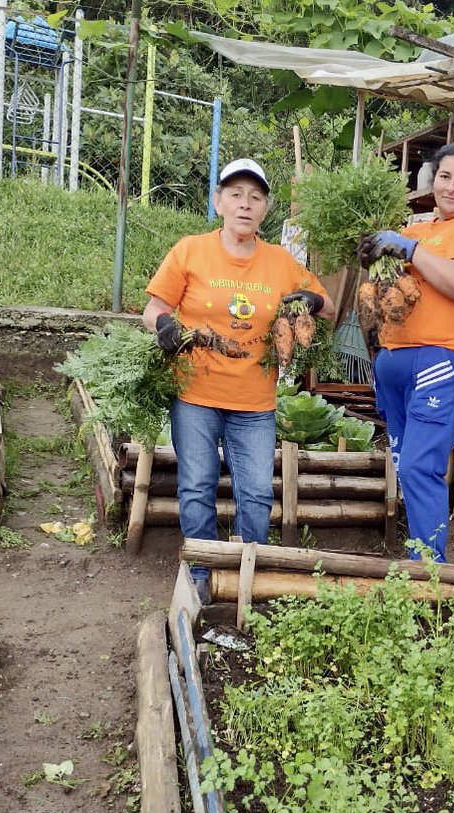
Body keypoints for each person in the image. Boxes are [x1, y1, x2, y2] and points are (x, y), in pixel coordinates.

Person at [142, 157, 334, 544]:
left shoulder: (281, 261)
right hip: (195, 395)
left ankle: (249, 571)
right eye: (236, 195)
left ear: (265, 208)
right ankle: (200, 571)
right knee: (196, 487)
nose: (246, 204)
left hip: (254, 402)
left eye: (256, 196)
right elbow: (154, 309)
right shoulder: (190, 251)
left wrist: (311, 300)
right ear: (218, 202)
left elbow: (329, 309)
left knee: (258, 494)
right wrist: (164, 325)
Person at [359, 141, 454, 561]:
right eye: (445, 176)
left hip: (443, 360)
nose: (452, 187)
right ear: (433, 180)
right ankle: (418, 558)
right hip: (395, 363)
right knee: (406, 463)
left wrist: (408, 251)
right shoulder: (417, 229)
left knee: (420, 466)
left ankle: (428, 572)